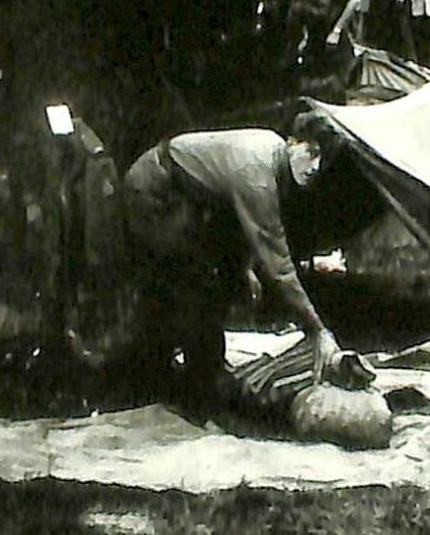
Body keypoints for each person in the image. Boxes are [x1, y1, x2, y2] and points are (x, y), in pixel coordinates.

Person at [121, 112, 352, 402]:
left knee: (216, 280)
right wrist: (316, 329)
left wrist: (244, 268)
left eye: (323, 159)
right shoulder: (258, 176)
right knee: (193, 284)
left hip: (187, 198)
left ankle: (195, 373)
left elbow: (236, 220)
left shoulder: (274, 157)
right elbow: (278, 264)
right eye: (312, 153)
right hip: (155, 191)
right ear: (294, 143)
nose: (315, 166)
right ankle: (194, 385)